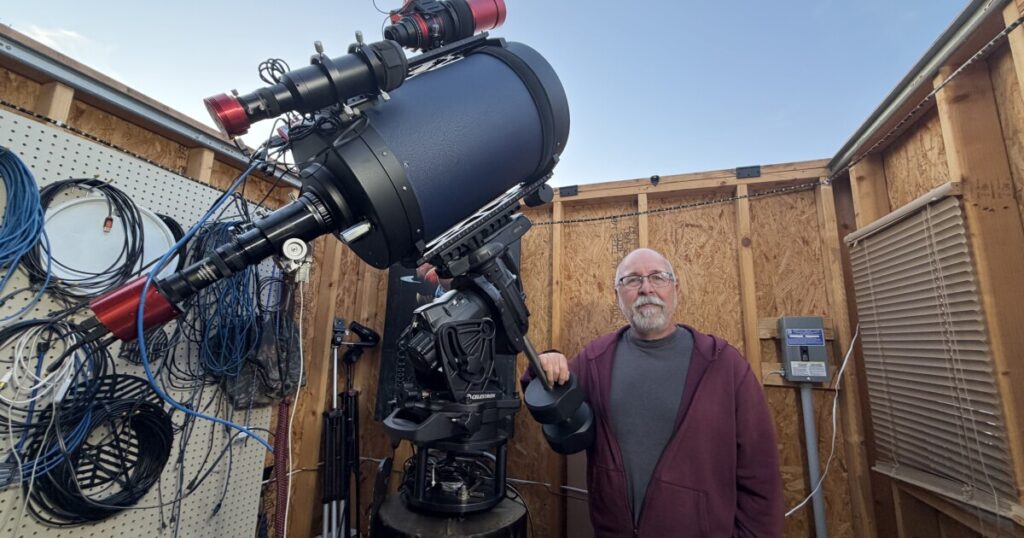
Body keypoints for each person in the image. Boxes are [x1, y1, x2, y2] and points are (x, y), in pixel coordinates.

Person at [531, 248, 783, 537]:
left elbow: (760, 470)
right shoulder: (596, 360)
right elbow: (545, 390)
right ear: (617, 295)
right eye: (632, 280)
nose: (646, 288)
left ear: (676, 289)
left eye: (658, 277)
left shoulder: (723, 364)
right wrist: (548, 360)